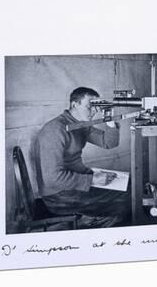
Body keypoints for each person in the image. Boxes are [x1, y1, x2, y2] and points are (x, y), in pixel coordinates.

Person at [34, 87, 130, 229]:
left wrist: (110, 120)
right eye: (90, 106)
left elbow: (108, 143)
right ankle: (90, 229)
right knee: (125, 198)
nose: (94, 112)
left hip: (75, 183)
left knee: (129, 184)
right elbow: (52, 179)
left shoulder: (80, 124)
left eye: (96, 107)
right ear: (75, 104)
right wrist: (92, 180)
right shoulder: (55, 130)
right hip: (58, 196)